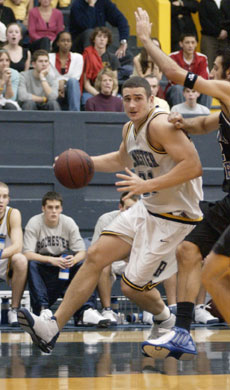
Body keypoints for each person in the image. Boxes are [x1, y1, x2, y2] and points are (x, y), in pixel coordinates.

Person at [17, 75, 203, 354]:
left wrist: (145, 185)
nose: (132, 104)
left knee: (131, 289)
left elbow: (193, 166)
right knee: (95, 256)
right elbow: (120, 159)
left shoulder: (162, 125)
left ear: (151, 99)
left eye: (138, 98)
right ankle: (51, 328)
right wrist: (84, 163)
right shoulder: (130, 129)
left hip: (176, 218)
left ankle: (166, 319)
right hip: (148, 208)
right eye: (127, 98)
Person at [134, 6, 230, 360]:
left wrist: (146, 40)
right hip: (229, 201)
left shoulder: (229, 90)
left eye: (215, 70)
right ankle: (183, 333)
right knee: (188, 251)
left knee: (215, 275)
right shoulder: (223, 110)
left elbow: (175, 72)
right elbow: (202, 124)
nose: (210, 74)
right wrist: (181, 122)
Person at [23, 191, 110, 327]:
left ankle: (86, 311)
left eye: (57, 207)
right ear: (43, 208)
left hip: (63, 266)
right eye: (50, 207)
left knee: (84, 264)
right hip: (45, 268)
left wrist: (73, 260)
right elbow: (27, 253)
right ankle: (43, 309)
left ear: (61, 209)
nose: (54, 211)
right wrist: (50, 260)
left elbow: (82, 251)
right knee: (32, 264)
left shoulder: (68, 222)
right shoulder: (34, 223)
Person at [92, 192, 138, 324]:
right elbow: (96, 249)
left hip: (132, 261)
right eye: (128, 209)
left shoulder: (143, 222)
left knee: (150, 263)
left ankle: (149, 311)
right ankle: (107, 309)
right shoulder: (105, 220)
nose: (131, 213)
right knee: (102, 263)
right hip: (110, 260)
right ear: (120, 207)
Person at [0, 182, 28, 327]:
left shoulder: (13, 214)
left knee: (21, 259)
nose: (1, 200)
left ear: (8, 199)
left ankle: (14, 309)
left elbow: (18, 246)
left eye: (4, 197)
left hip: (6, 262)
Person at [165, 32, 211, 109]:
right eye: (187, 42)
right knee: (178, 88)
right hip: (176, 89)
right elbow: (173, 80)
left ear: (196, 44)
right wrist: (193, 82)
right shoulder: (172, 57)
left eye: (193, 42)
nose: (190, 45)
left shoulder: (202, 58)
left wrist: (189, 84)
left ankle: (204, 117)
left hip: (197, 88)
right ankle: (179, 116)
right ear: (181, 44)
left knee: (207, 90)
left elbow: (204, 79)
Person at [80, 26, 120, 107]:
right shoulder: (87, 56)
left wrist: (113, 95)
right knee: (86, 99)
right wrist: (99, 96)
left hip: (109, 91)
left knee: (120, 99)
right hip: (91, 92)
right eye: (99, 36)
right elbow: (86, 84)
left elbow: (115, 82)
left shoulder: (112, 58)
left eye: (105, 37)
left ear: (108, 40)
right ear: (94, 39)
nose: (102, 39)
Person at [49, 31, 83, 111]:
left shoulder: (78, 57)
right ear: (57, 43)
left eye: (68, 41)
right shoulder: (49, 57)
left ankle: (75, 114)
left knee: (73, 81)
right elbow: (49, 77)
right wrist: (59, 84)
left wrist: (63, 81)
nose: (66, 43)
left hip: (71, 89)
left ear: (71, 43)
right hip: (53, 89)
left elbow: (76, 76)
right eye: (63, 40)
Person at [199, 0, 228, 71]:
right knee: (209, 63)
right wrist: (218, 32)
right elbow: (204, 21)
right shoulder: (204, 2)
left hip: (226, 37)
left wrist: (226, 30)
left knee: (225, 63)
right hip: (209, 37)